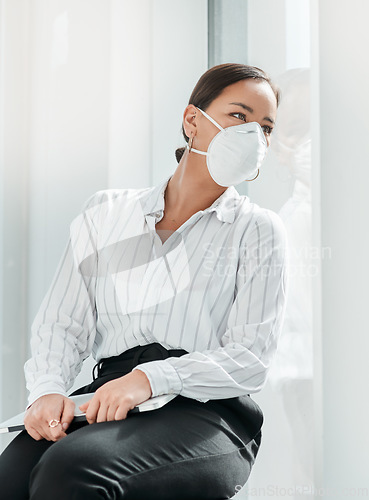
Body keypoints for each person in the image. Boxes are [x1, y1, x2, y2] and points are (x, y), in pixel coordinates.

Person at [0, 63, 289, 500]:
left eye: (265, 127)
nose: (253, 136)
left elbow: (250, 358)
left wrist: (151, 378)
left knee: (73, 471)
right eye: (239, 116)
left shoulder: (257, 230)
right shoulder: (106, 213)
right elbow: (63, 324)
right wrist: (47, 391)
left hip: (208, 412)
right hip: (106, 396)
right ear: (193, 120)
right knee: (10, 476)